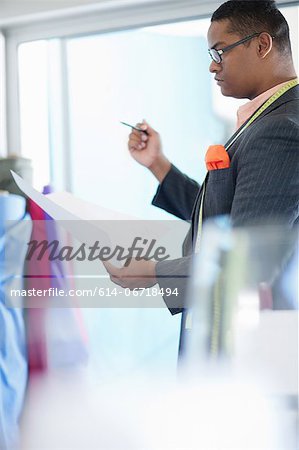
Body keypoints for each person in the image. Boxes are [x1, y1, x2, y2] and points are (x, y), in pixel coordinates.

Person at [105, 0, 299, 314]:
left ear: (263, 45)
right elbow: (222, 216)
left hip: (251, 336)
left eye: (219, 51)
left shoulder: (280, 130)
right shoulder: (263, 121)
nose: (212, 65)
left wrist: (154, 272)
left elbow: (247, 258)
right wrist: (158, 164)